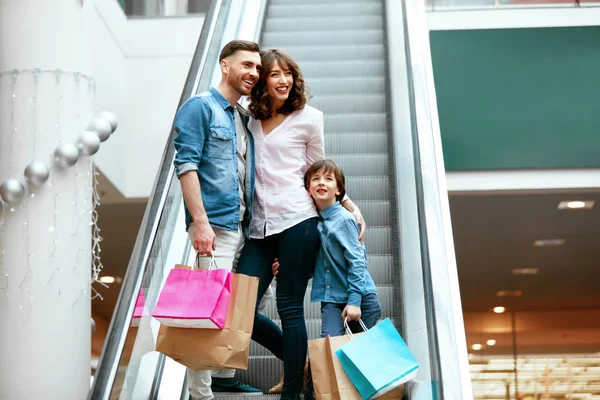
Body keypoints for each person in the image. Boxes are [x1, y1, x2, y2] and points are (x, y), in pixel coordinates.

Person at [235, 49, 365, 400]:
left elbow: (317, 169)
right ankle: (302, 361)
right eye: (274, 74)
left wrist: (346, 204)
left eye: (288, 73)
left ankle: (293, 391)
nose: (283, 80)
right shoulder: (249, 118)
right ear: (263, 80)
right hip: (260, 227)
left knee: (289, 306)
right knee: (239, 309)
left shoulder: (310, 117)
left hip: (298, 221)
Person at [173, 39, 270, 400]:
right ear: (225, 65)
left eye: (257, 68)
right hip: (215, 227)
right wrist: (200, 223)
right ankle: (201, 394)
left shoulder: (243, 119)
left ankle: (226, 375)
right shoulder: (199, 107)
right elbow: (186, 165)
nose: (253, 73)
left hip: (245, 226)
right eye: (247, 65)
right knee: (206, 310)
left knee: (240, 306)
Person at [274, 159, 381, 399]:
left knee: (362, 359)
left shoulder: (344, 219)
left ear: (339, 190)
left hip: (360, 298)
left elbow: (357, 261)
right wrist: (290, 267)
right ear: (308, 189)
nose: (322, 183)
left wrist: (354, 301)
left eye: (328, 179)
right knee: (329, 350)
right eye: (316, 179)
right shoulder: (314, 224)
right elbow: (323, 264)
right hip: (332, 300)